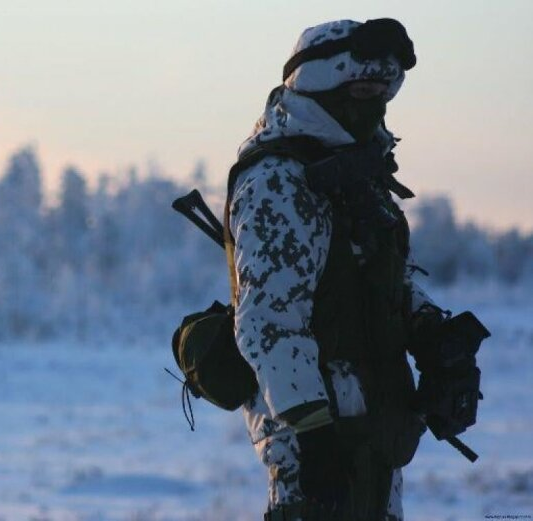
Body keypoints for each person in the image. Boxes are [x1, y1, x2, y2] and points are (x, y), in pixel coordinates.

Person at [227, 19, 447, 520]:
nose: (378, 104)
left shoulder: (359, 175)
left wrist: (437, 336)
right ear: (323, 87)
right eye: (365, 89)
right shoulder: (279, 182)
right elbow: (268, 322)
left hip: (377, 434)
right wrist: (313, 433)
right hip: (316, 449)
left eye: (385, 91)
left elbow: (389, 279)